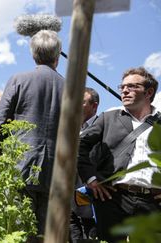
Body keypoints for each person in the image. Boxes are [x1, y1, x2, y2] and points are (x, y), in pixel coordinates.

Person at [0, 29, 64, 236]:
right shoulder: (70, 87)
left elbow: (0, 127)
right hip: (57, 172)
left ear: (33, 54)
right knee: (47, 234)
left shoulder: (18, 79)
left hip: (20, 167)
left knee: (18, 232)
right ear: (57, 57)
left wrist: (10, 156)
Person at [78, 67, 161, 242]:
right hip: (112, 198)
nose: (124, 90)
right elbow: (79, 146)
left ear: (149, 92)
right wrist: (91, 180)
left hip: (152, 202)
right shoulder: (107, 118)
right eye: (122, 87)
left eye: (132, 86)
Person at [69, 87, 99, 242]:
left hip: (90, 197)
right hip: (70, 199)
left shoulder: (101, 128)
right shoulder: (72, 130)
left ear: (94, 106)